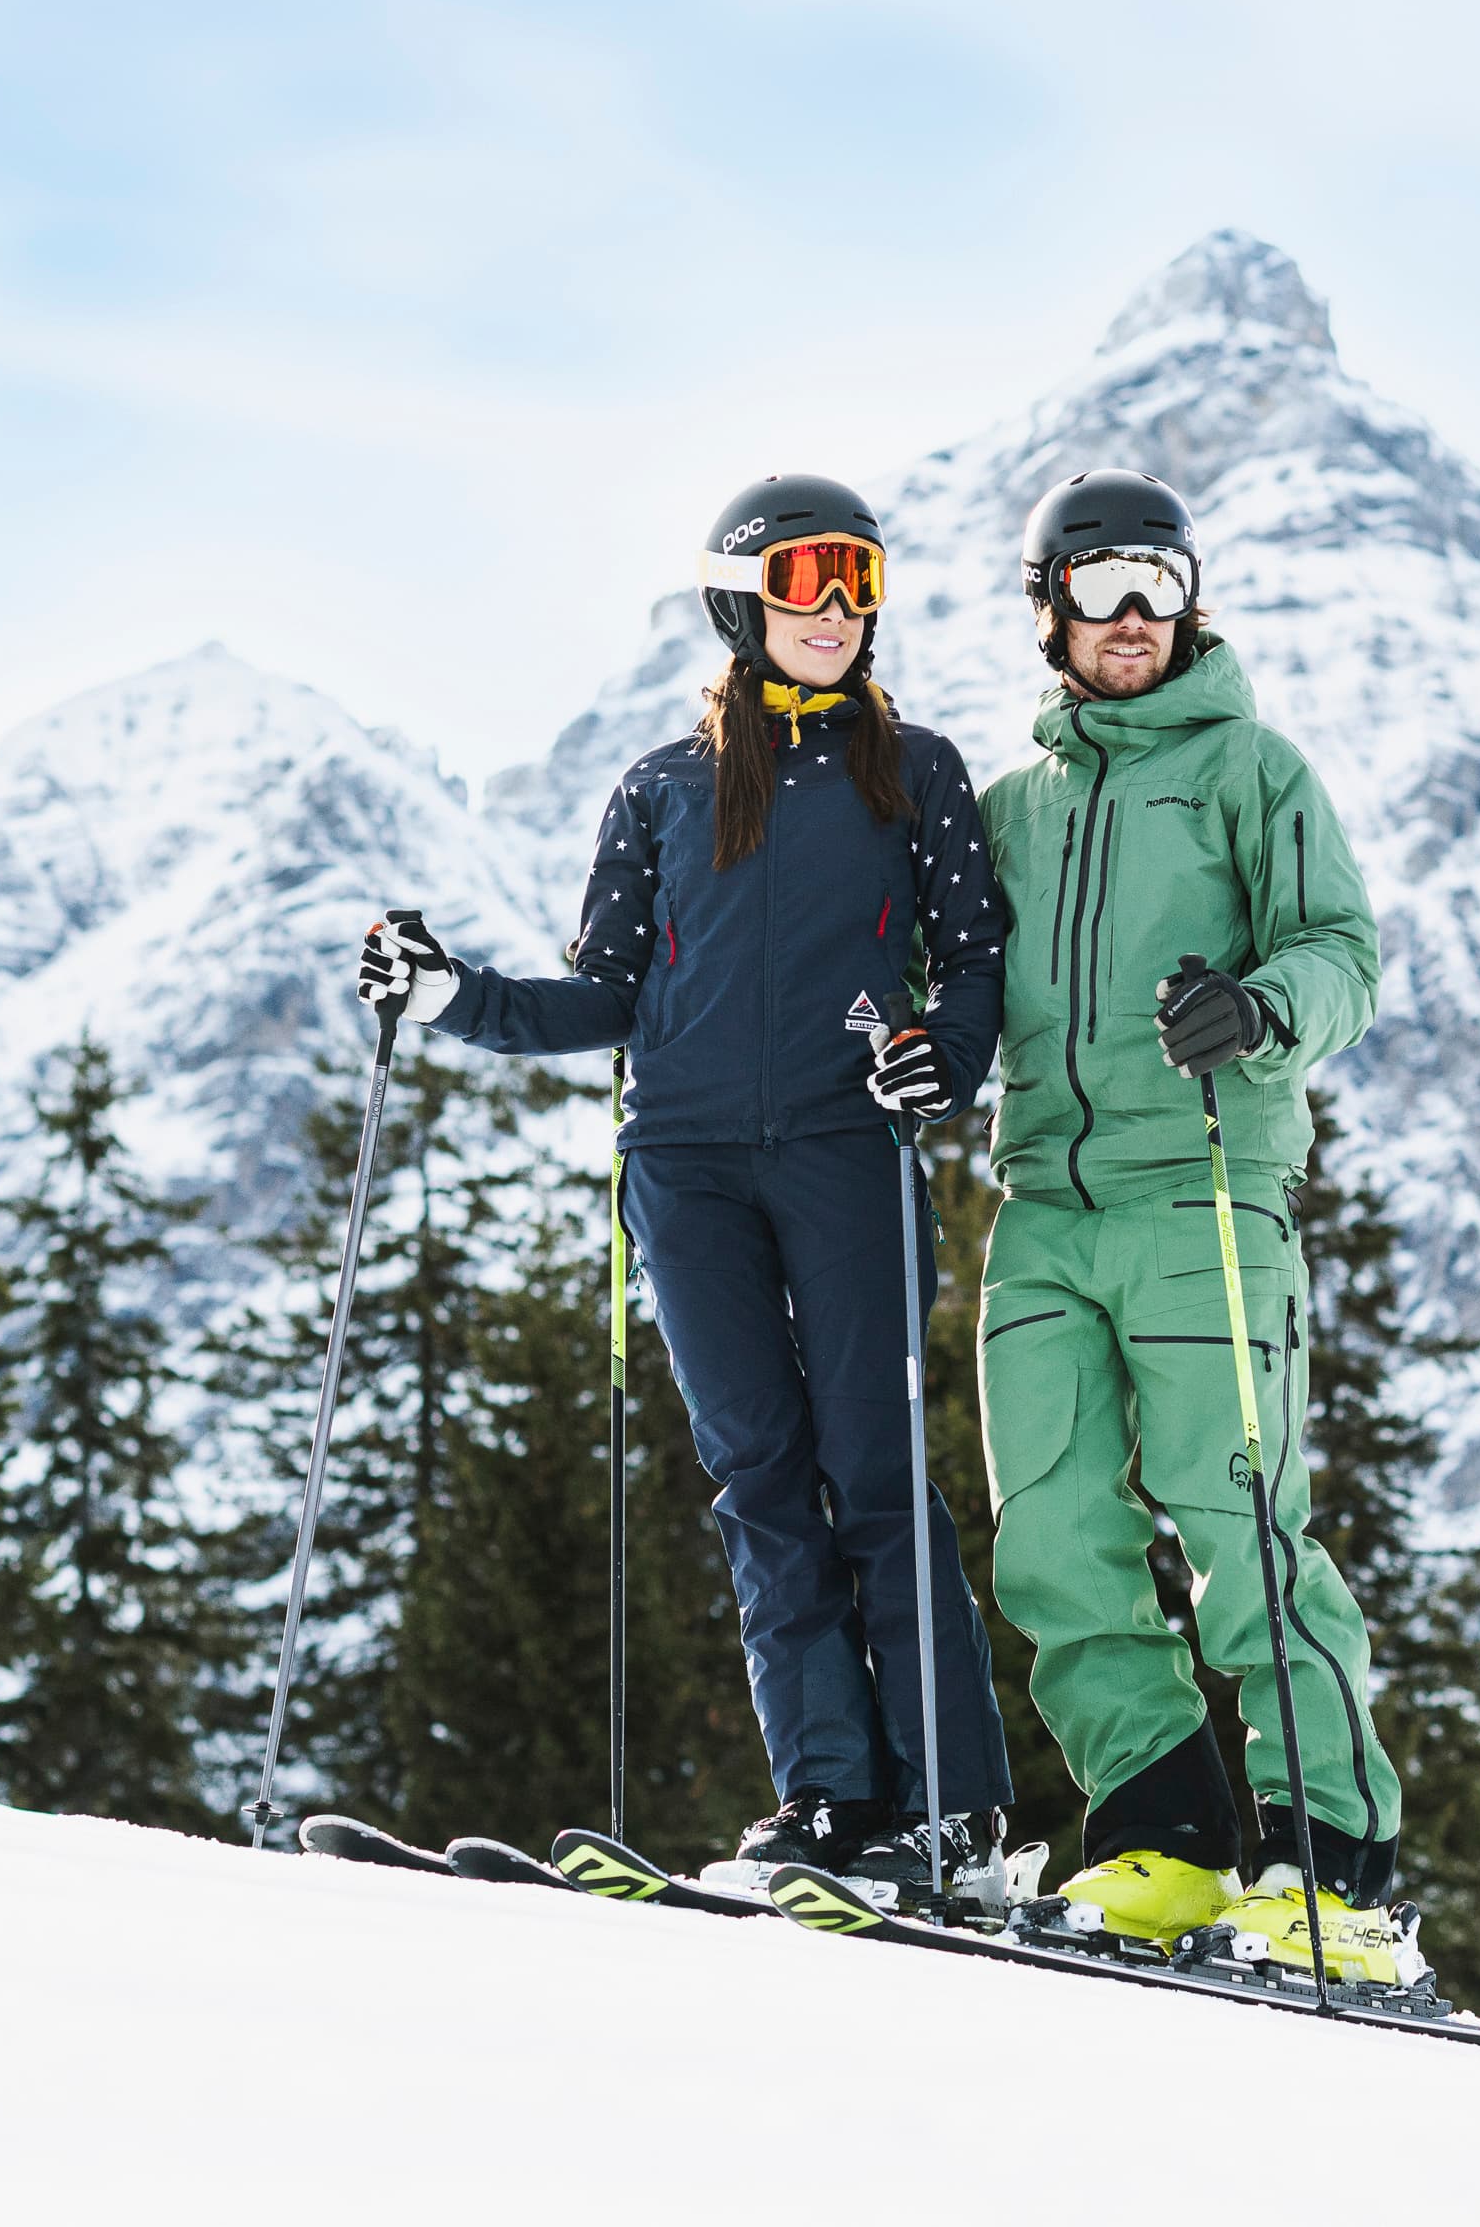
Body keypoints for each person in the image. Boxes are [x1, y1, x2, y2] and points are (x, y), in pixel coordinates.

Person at [353, 473, 1014, 1908]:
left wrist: (940, 1062)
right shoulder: (660, 787)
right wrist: (451, 992)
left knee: (878, 1474)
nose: (836, 607)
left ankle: (950, 1808)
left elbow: (973, 967)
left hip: (848, 1153)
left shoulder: (925, 774)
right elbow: (600, 993)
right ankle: (831, 1791)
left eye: (858, 577)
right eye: (805, 578)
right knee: (760, 1480)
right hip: (685, 1168)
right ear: (740, 598)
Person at [974, 469, 1411, 1983]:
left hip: (1204, 1189)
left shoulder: (1253, 770)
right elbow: (951, 987)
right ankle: (1162, 1829)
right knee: (1052, 1531)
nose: (1134, 617)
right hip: (1040, 1205)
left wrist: (1263, 1007)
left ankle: (1328, 1864)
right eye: (1100, 586)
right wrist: (910, 1046)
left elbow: (1343, 948)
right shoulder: (1009, 806)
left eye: (1158, 582)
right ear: (1052, 611)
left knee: (1239, 1517)